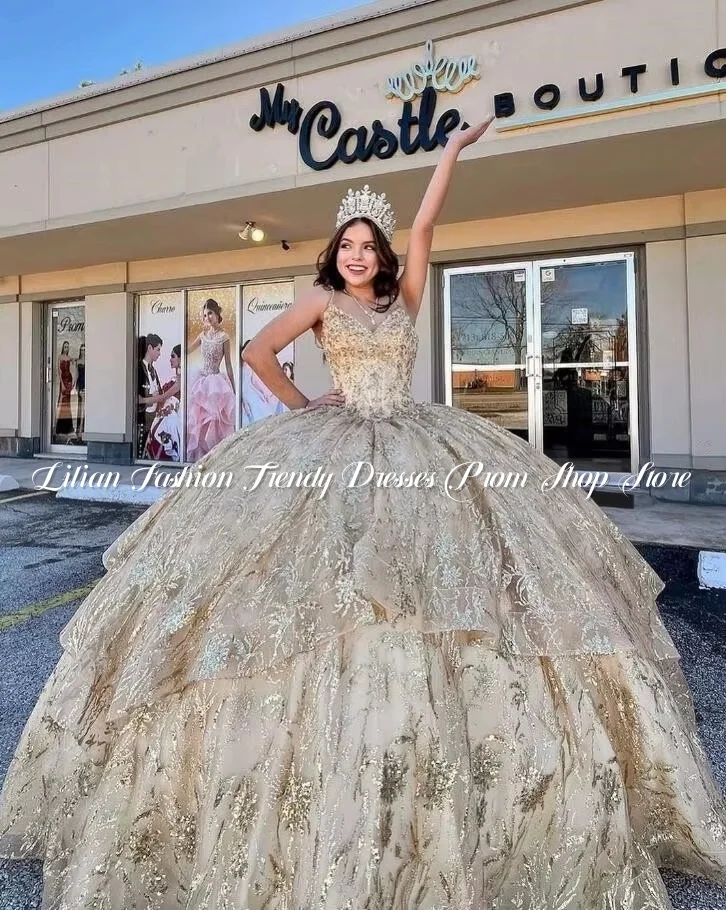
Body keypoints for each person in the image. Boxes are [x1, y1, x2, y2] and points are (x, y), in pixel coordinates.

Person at [1, 120, 725, 910]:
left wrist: (449, 152)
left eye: (366, 245)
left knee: (454, 573)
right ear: (332, 255)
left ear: (380, 256)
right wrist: (304, 401)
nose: (357, 254)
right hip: (335, 437)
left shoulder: (401, 294)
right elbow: (256, 355)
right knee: (322, 569)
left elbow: (425, 224)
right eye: (346, 244)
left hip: (415, 437)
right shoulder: (318, 299)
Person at [186, 298, 236, 461]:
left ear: (217, 314)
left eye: (210, 313)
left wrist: (234, 387)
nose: (207, 317)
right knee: (200, 420)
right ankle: (202, 457)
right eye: (205, 315)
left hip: (216, 383)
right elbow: (187, 351)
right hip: (201, 381)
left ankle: (217, 457)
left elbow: (228, 364)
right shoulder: (203, 335)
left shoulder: (224, 337)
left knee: (215, 418)